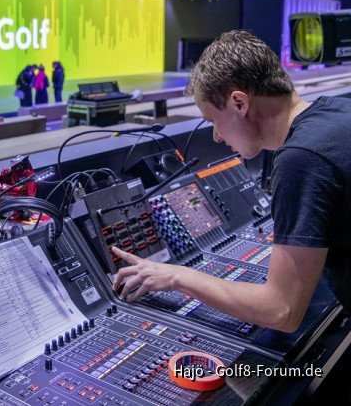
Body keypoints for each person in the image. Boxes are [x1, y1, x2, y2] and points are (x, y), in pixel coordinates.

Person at [112, 30, 351, 333]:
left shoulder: (300, 161)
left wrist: (178, 276)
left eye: (213, 121)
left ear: (239, 103)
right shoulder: (338, 110)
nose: (216, 136)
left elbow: (281, 310)